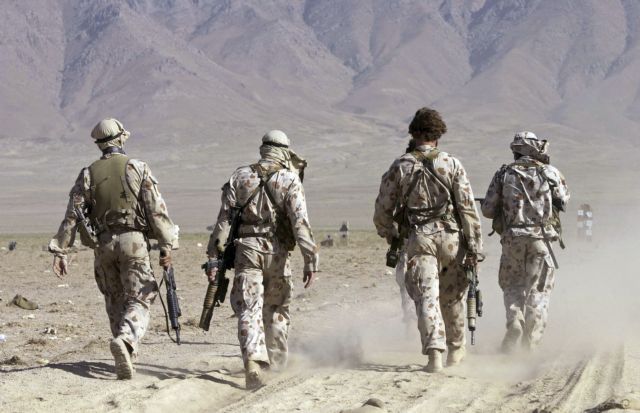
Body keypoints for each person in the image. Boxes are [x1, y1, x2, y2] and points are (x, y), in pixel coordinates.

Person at [48, 118, 178, 380]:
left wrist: (61, 251)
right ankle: (127, 340)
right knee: (142, 296)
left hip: (103, 245)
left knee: (115, 299)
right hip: (134, 241)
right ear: (120, 138)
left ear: (99, 144)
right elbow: (156, 210)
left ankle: (125, 354)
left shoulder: (87, 174)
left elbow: (72, 216)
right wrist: (166, 246)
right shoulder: (138, 167)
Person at [206, 130, 319, 389]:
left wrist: (213, 257)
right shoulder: (290, 179)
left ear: (263, 149)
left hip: (246, 249)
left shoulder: (240, 176)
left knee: (249, 307)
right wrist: (310, 260)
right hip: (277, 251)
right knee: (276, 307)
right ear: (285, 151)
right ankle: (277, 365)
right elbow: (300, 222)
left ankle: (253, 361)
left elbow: (223, 221)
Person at [373, 108, 483, 372]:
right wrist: (475, 246)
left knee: (427, 297)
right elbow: (468, 209)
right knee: (452, 297)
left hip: (419, 239)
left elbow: (382, 209)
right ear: (438, 135)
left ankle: (435, 355)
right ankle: (455, 351)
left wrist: (390, 234)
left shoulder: (401, 166)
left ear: (413, 133)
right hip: (452, 240)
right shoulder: (452, 164)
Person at [481, 131, 569, 353]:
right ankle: (531, 345)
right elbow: (564, 199)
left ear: (515, 151)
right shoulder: (550, 172)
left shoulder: (503, 174)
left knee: (512, 285)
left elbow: (488, 210)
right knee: (538, 290)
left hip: (513, 240)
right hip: (542, 240)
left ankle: (514, 321)